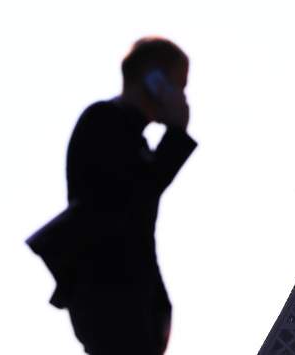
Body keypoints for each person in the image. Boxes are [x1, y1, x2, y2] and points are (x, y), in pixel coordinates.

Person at [28, 37, 197, 355]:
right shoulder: (103, 122)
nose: (183, 96)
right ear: (154, 80)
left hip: (121, 299)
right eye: (179, 85)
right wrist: (176, 136)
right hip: (112, 297)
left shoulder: (123, 133)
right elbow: (133, 196)